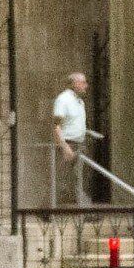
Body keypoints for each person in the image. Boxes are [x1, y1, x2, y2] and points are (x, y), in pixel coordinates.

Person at [52, 72, 91, 205]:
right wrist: (64, 146)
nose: (86, 86)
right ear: (75, 84)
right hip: (68, 144)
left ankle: (81, 208)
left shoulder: (80, 101)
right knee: (62, 179)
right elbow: (56, 126)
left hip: (80, 144)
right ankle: (50, 209)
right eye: (83, 83)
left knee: (78, 179)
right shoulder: (63, 99)